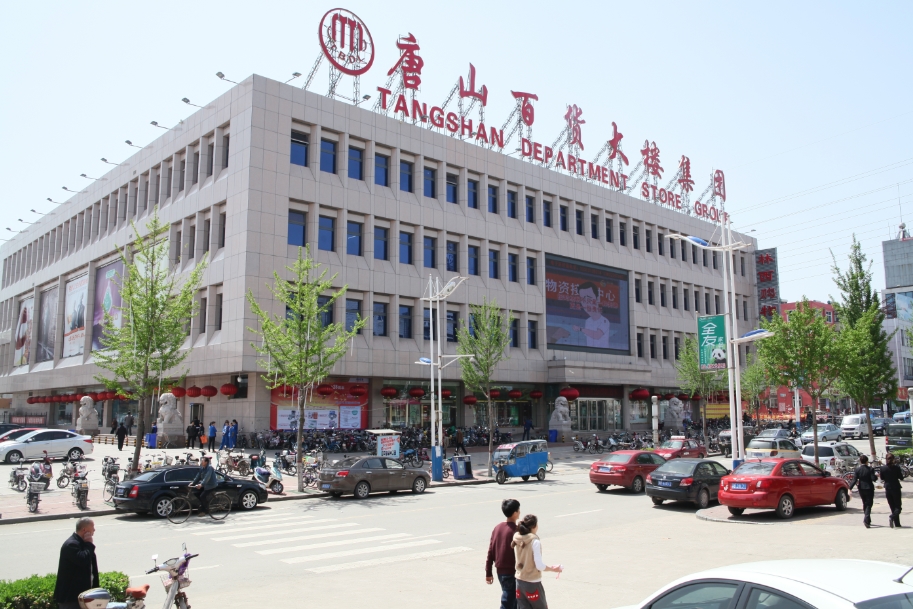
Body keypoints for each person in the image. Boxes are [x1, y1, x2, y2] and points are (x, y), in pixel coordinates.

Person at [511, 514, 562, 609]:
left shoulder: (517, 537)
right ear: (534, 526)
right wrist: (553, 569)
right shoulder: (534, 541)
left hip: (519, 582)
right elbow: (539, 566)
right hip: (532, 583)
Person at [54, 518, 99, 609]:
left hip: (85, 596)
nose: (94, 530)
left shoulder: (84, 544)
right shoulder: (71, 545)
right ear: (84, 530)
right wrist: (89, 544)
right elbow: (83, 560)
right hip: (71, 599)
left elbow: (91, 568)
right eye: (92, 527)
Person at [486, 499, 520, 609]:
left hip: (500, 571)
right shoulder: (516, 530)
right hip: (512, 572)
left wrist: (488, 572)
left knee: (514, 601)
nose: (519, 512)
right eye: (518, 510)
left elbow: (490, 551)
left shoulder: (497, 528)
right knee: (508, 601)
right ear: (515, 513)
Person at [570, 282, 611, 349]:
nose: (586, 303)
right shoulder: (588, 321)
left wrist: (580, 329)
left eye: (589, 298)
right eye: (583, 299)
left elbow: (597, 335)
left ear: (598, 299)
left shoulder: (604, 321)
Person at [850, 454, 878, 528]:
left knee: (865, 503)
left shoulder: (857, 470)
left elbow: (854, 480)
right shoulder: (870, 469)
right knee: (869, 504)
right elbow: (873, 479)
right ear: (867, 461)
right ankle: (866, 519)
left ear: (860, 461)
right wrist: (876, 476)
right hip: (869, 488)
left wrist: (849, 488)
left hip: (861, 488)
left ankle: (868, 519)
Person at [881, 452, 905, 528]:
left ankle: (897, 523)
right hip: (896, 488)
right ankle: (892, 517)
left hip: (888, 488)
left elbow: (882, 478)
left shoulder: (883, 468)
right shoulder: (896, 467)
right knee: (898, 507)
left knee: (892, 506)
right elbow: (901, 477)